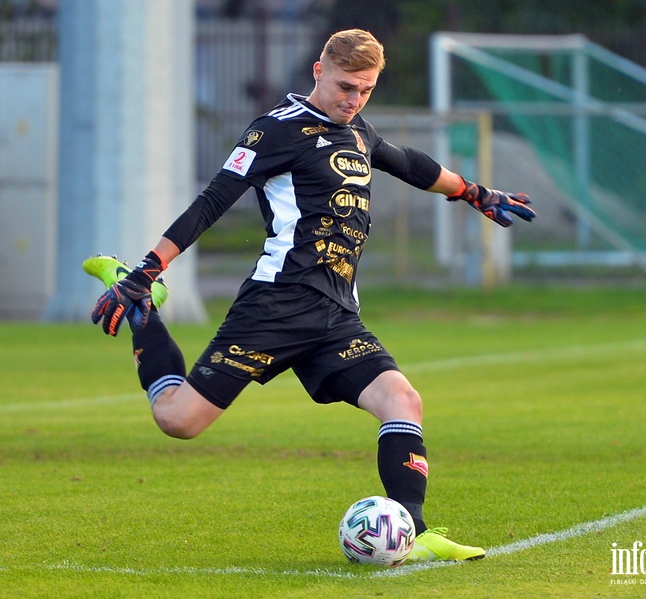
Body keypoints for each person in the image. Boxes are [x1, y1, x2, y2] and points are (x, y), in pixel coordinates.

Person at [85, 28, 535, 562]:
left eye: (365, 90)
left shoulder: (358, 129)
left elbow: (410, 163)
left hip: (336, 314)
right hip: (275, 305)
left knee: (402, 400)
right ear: (319, 71)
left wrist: (475, 193)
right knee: (177, 421)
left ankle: (413, 531)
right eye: (345, 86)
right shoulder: (272, 131)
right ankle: (142, 310)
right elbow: (211, 201)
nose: (353, 100)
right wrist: (147, 268)